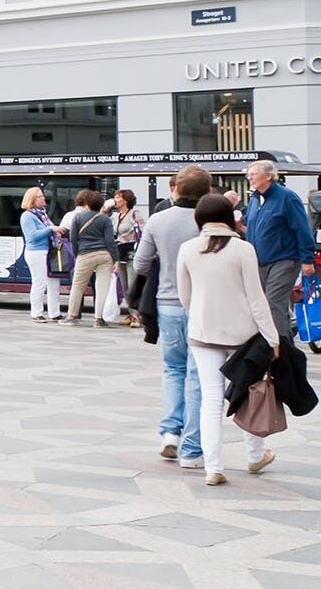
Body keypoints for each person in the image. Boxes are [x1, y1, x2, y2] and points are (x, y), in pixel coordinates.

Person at [177, 192, 282, 486]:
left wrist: (201, 313)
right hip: (244, 336)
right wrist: (272, 337)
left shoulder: (187, 249)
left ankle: (213, 467)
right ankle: (254, 455)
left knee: (210, 398)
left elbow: (185, 296)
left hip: (203, 333)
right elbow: (257, 299)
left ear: (199, 218)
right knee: (248, 394)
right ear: (228, 216)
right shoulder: (243, 249)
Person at [133, 166, 213, 469]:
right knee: (197, 375)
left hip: (166, 303)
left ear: (175, 189)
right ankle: (192, 447)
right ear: (208, 192)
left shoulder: (158, 219)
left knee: (172, 369)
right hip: (203, 304)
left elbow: (140, 264)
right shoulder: (208, 222)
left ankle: (169, 432)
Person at [242, 159, 318, 341]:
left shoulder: (287, 197)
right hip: (259, 261)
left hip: (284, 259)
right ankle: (281, 341)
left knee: (273, 302)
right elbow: (251, 229)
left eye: (253, 174)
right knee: (265, 304)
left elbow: (302, 228)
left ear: (269, 176)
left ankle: (281, 349)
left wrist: (307, 260)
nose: (249, 177)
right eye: (248, 174)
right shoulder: (254, 199)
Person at [64, 190, 119, 326]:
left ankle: (72, 316)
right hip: (104, 255)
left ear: (87, 203)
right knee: (101, 287)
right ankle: (99, 319)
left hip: (85, 254)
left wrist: (77, 254)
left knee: (78, 286)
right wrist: (115, 259)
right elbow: (110, 241)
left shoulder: (78, 217)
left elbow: (73, 238)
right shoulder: (105, 219)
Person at [20, 187, 61, 322]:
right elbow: (32, 236)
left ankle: (54, 313)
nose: (44, 198)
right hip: (36, 252)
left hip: (48, 251)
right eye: (40, 197)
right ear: (32, 200)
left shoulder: (42, 214)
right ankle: (36, 313)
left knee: (53, 282)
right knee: (39, 283)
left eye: (43, 196)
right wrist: (50, 229)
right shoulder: (27, 216)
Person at [110, 190, 145, 327]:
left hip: (132, 253)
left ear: (125, 200)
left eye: (118, 197)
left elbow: (142, 231)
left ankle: (137, 315)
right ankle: (132, 313)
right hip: (120, 253)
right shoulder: (116, 216)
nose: (115, 199)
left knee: (132, 284)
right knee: (124, 286)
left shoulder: (135, 214)